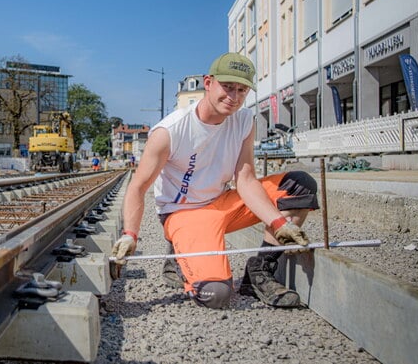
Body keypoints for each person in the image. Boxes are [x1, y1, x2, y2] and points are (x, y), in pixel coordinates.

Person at [111, 52, 319, 309]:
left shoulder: (244, 120)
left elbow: (245, 179)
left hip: (224, 202)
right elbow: (138, 187)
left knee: (299, 185)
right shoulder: (170, 132)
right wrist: (130, 234)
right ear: (208, 83)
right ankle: (179, 252)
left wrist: (279, 224)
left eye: (241, 90)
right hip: (185, 214)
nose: (233, 97)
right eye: (228, 87)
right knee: (216, 294)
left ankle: (259, 272)